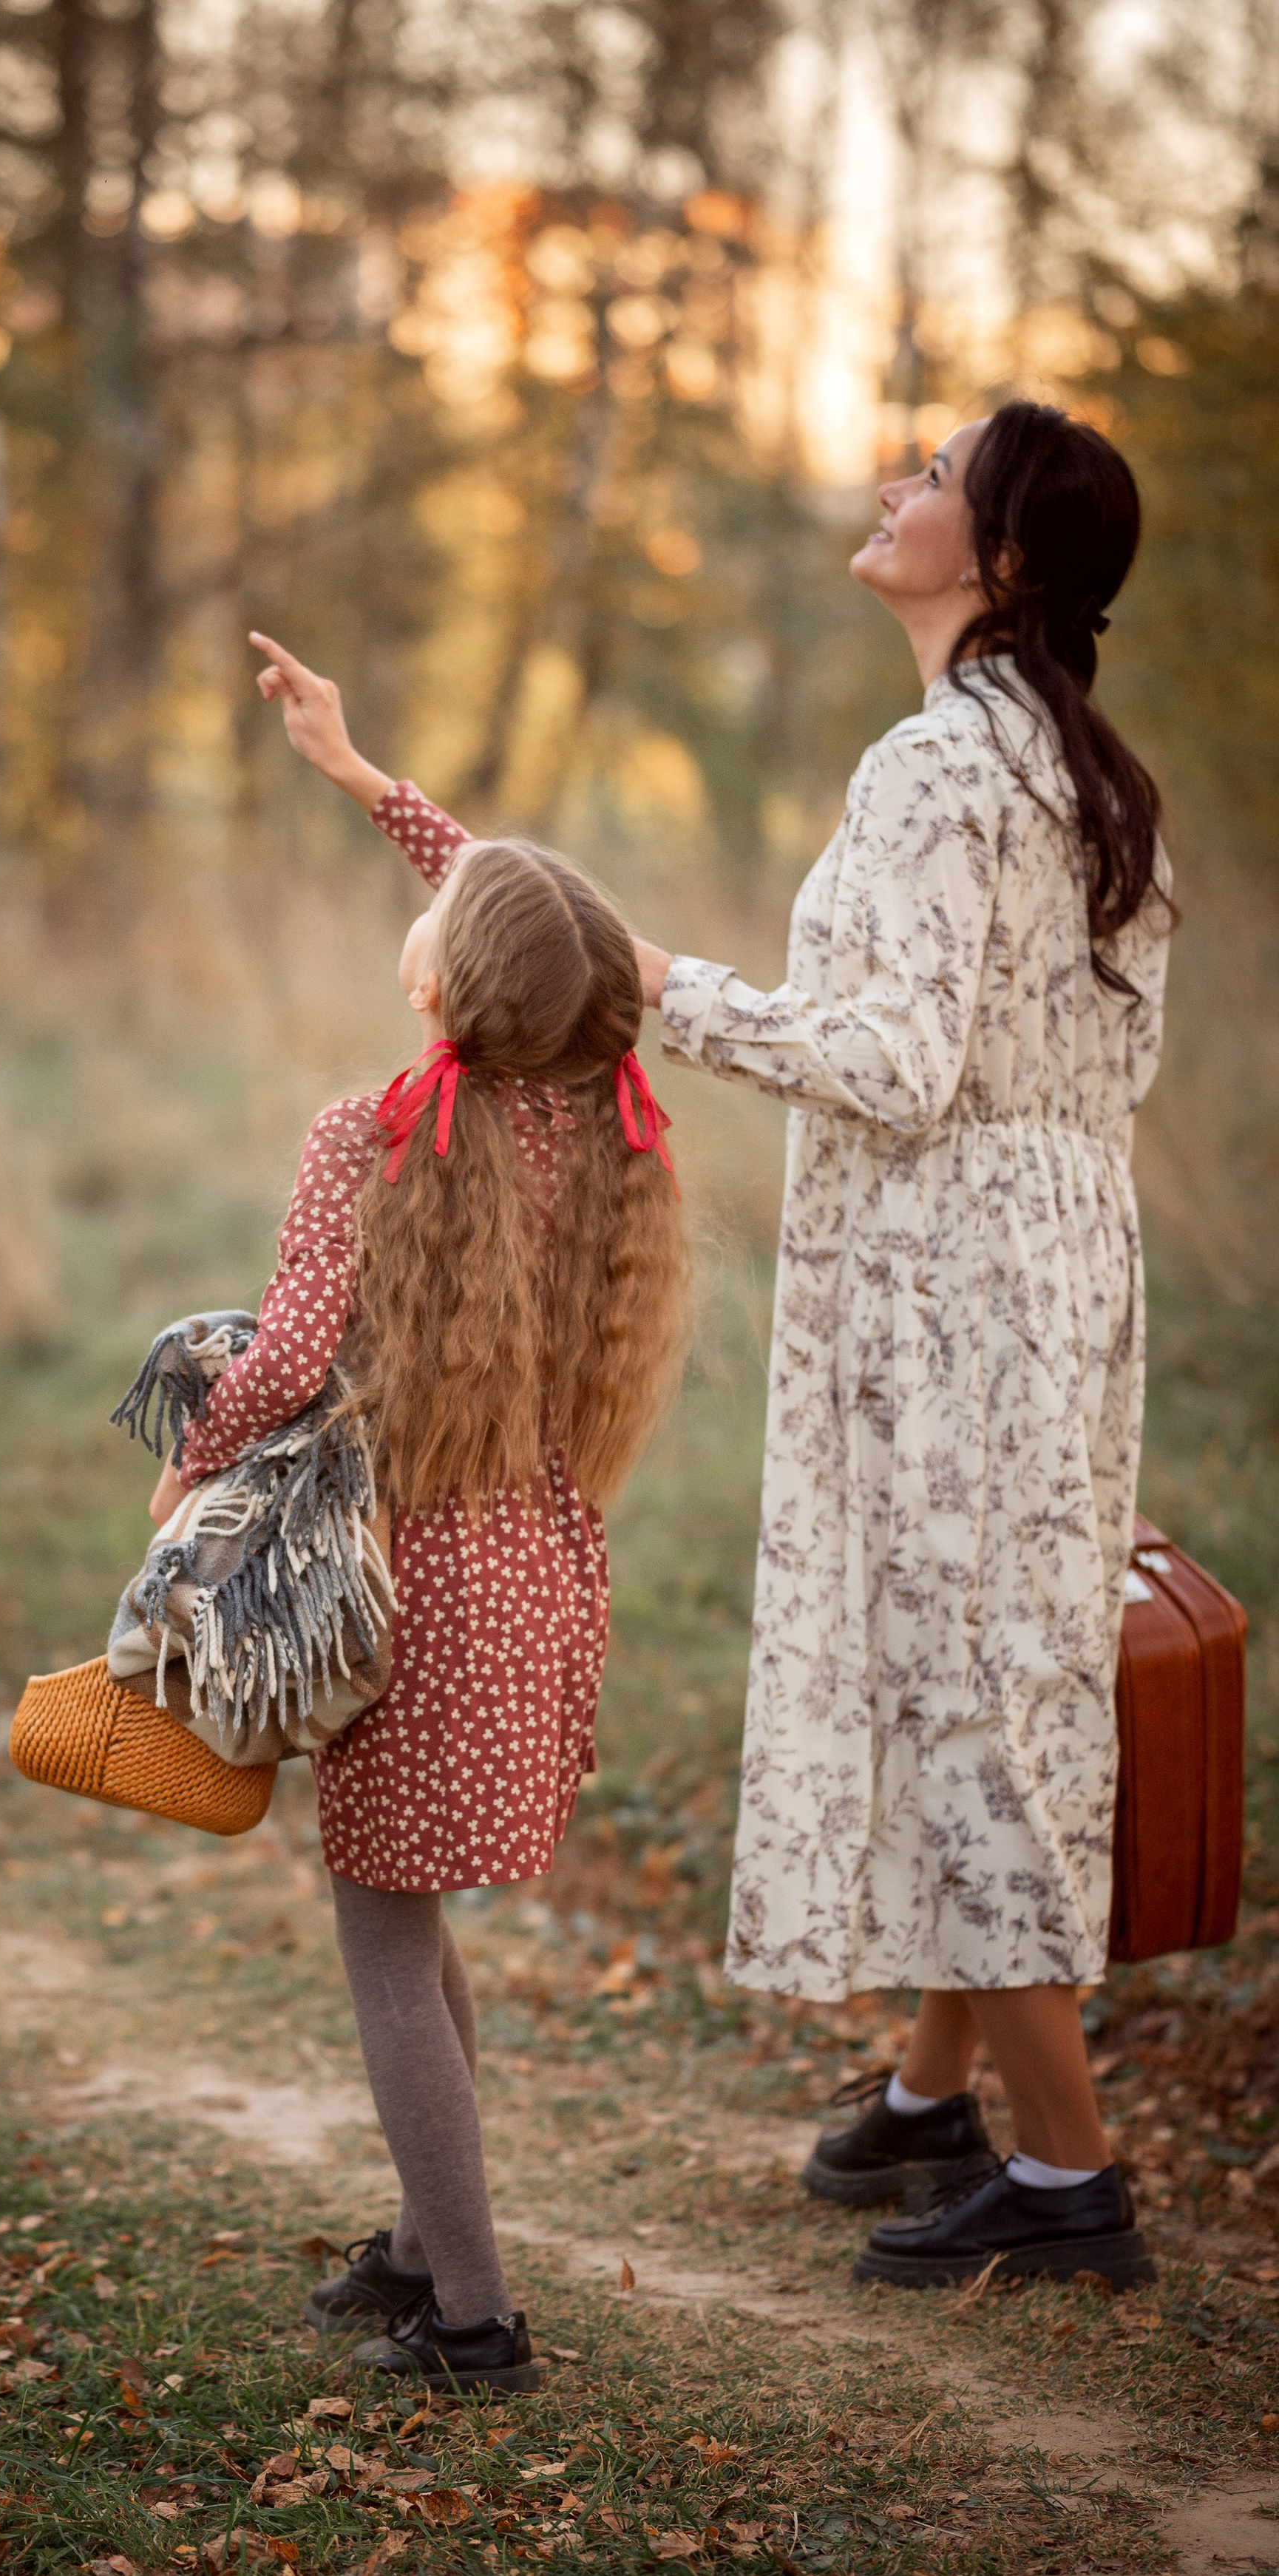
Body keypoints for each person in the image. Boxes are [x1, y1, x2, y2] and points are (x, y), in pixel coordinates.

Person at [633, 401, 1170, 2289]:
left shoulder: (937, 768)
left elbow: (889, 1063)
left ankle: (1066, 2174)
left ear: (1003, 561)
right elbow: (1097, 1067)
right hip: (1055, 1262)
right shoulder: (1085, 766)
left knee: (955, 1682)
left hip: (949, 1277)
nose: (890, 488)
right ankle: (940, 2087)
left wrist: (659, 991)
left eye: (931, 477)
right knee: (1003, 1659)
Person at [145, 637, 692, 2390]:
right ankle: (413, 2248)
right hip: (533, 1565)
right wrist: (354, 766)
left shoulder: (365, 1134)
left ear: (448, 984)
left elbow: (291, 1359)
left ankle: (473, 2315)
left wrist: (182, 1454)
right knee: (417, 1914)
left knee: (383, 1937)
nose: (435, 900)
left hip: (401, 1590)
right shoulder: (603, 1127)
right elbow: (531, 923)